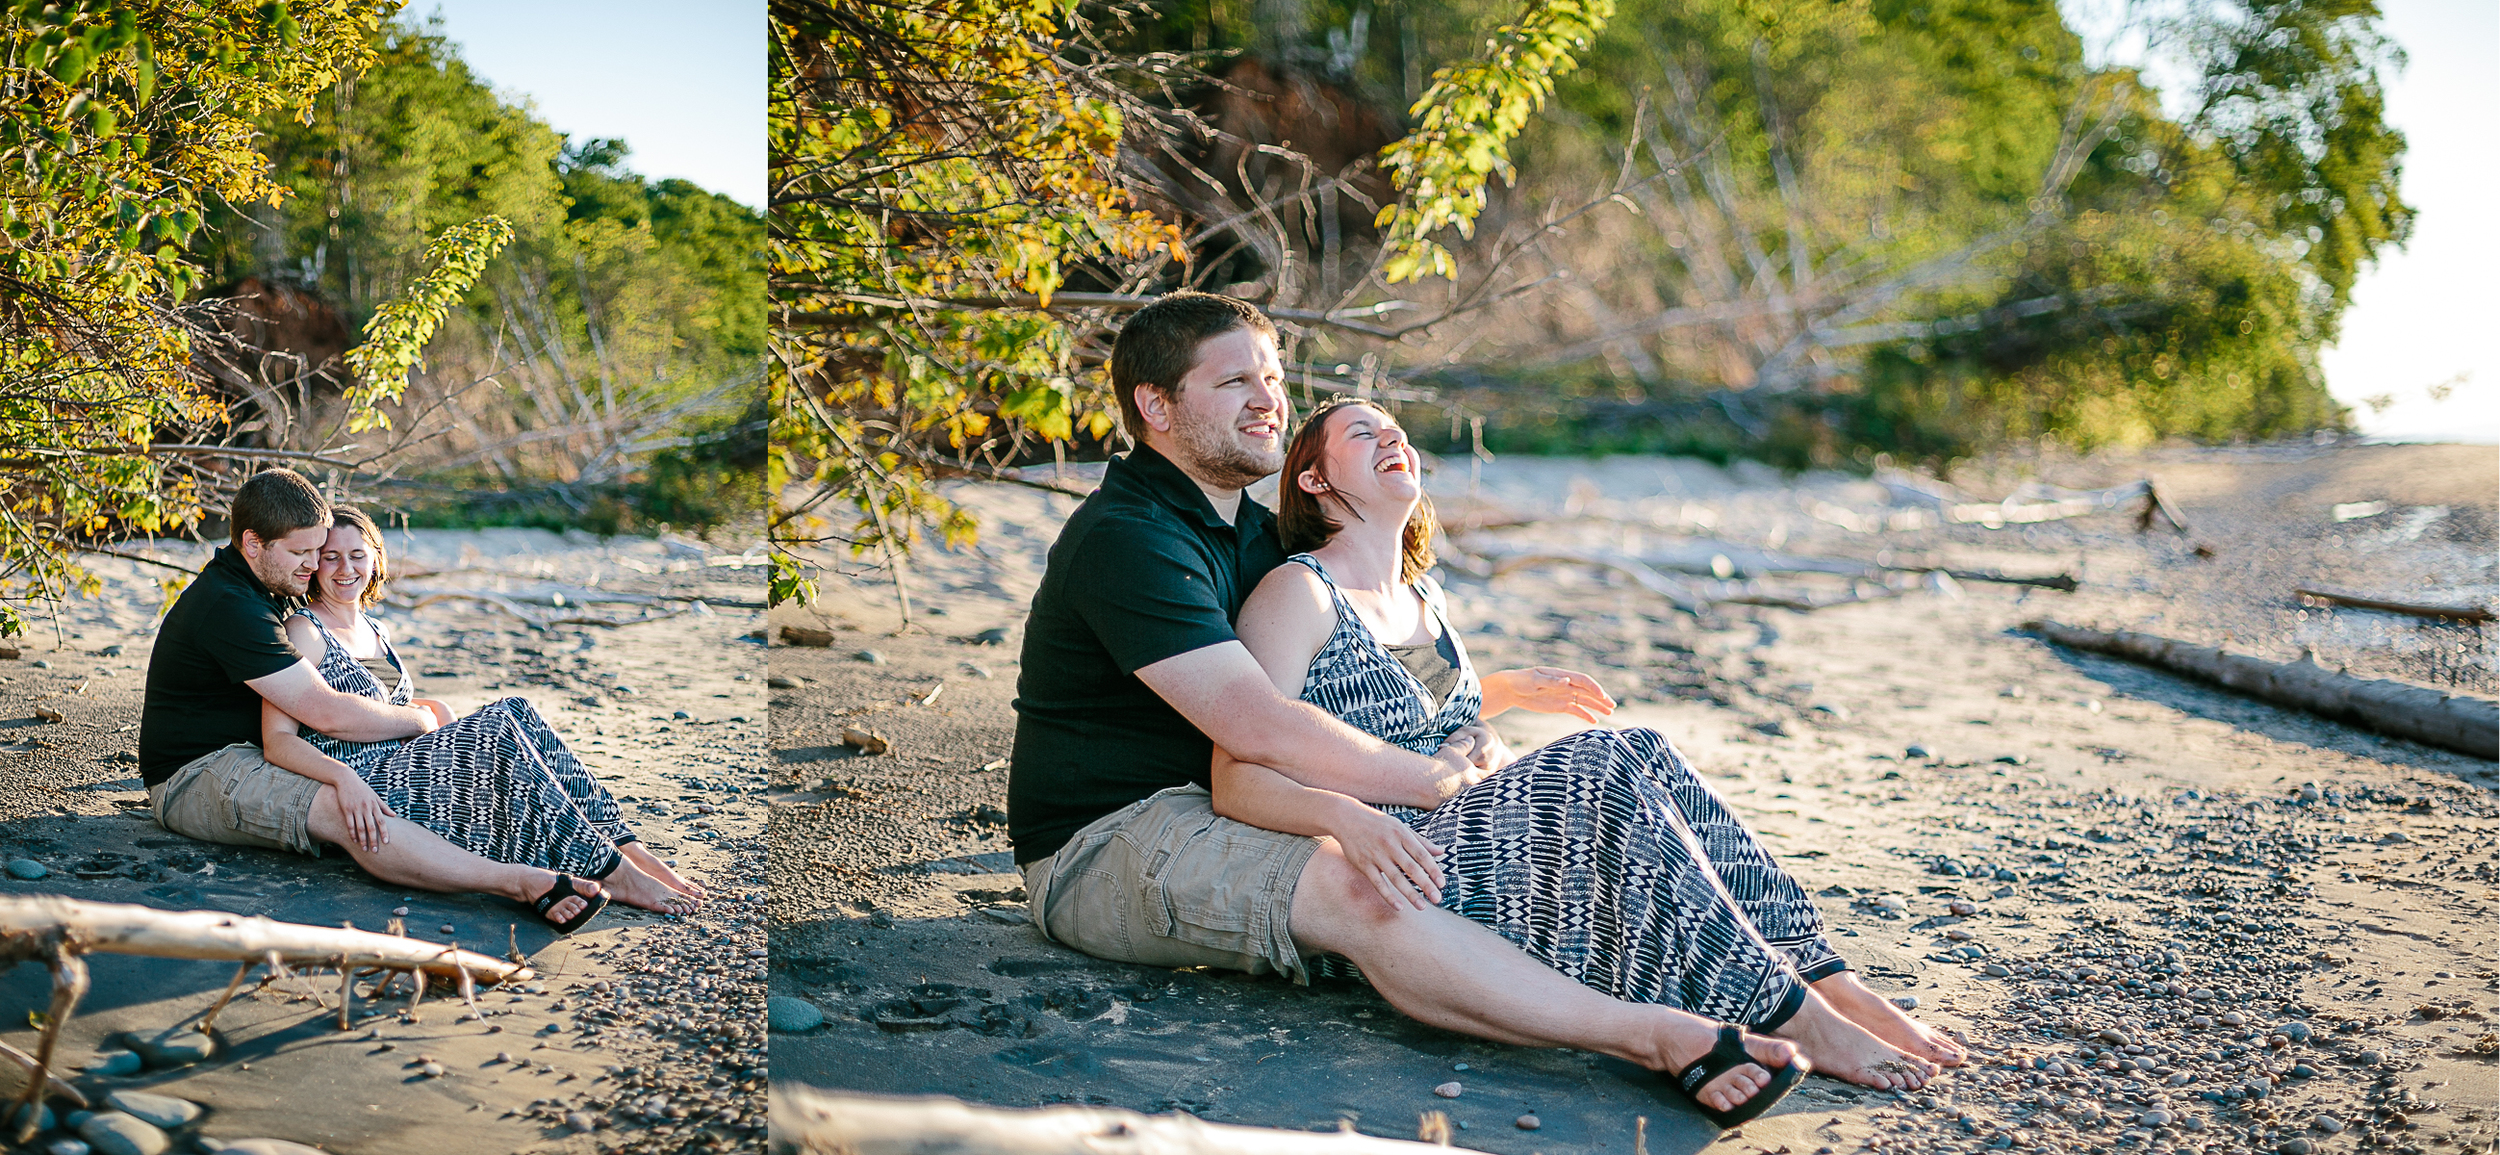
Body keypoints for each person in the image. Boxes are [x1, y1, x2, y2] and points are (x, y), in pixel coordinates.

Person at [1008, 293, 1956, 1125]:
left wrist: (1485, 706)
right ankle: (1667, 1034)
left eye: (1272, 377)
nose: (1268, 399)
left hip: (1230, 801)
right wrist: (1418, 781)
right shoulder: (1129, 538)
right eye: (1233, 384)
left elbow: (1349, 680)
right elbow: (1254, 729)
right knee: (1362, 885)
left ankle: (1822, 982)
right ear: (1156, 405)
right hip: (1109, 839)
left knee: (1632, 756)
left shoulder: (1248, 534)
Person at [1215, 397, 1972, 1116]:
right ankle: (1788, 1009)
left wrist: (1489, 721)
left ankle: (1825, 978)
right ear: (1313, 479)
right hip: (1394, 879)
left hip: (1474, 847)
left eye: (1396, 431)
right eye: (1362, 433)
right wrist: (1347, 820)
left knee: (1643, 749)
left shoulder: (1425, 597)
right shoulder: (1298, 592)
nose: (1393, 440)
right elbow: (1238, 774)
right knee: (1603, 760)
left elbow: (1426, 724)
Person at [144, 469, 605, 929]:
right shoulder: (231, 604)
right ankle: (519, 882)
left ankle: (609, 847)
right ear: (252, 543)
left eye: (314, 551)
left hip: (256, 754)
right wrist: (417, 721)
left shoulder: (273, 586)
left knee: (505, 723)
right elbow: (325, 711)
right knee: (342, 808)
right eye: (301, 552)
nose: (311, 565)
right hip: (198, 774)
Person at [255, 506, 702, 926]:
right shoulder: (304, 631)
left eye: (357, 555)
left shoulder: (377, 629)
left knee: (517, 710)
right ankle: (610, 870)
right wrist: (341, 779)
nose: (345, 568)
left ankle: (627, 849)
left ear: (376, 560)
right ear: (313, 565)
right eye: (330, 557)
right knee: (499, 726)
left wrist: (432, 710)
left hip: (410, 765)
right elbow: (278, 741)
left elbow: (382, 705)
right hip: (369, 787)